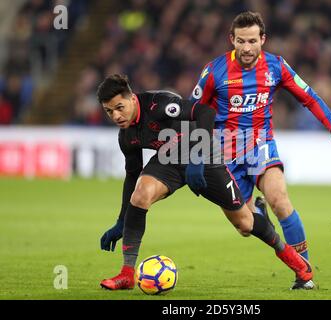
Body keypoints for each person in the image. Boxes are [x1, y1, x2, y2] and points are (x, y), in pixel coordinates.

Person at [97, 74, 314, 291]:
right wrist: (121, 220)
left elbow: (205, 112)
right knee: (140, 194)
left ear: (132, 98)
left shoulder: (159, 105)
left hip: (204, 155)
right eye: (109, 111)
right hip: (168, 159)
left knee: (245, 224)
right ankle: (127, 274)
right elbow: (132, 175)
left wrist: (197, 159)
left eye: (119, 107)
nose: (116, 116)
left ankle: (296, 263)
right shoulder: (126, 136)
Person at [190, 11, 331, 264]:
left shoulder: (276, 66)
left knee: (280, 200)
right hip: (224, 152)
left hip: (261, 144)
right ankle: (257, 211)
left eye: (252, 41)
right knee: (245, 227)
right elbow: (192, 113)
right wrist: (194, 155)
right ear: (232, 40)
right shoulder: (214, 71)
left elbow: (309, 96)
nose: (246, 48)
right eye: (241, 41)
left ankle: (303, 271)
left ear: (263, 39)